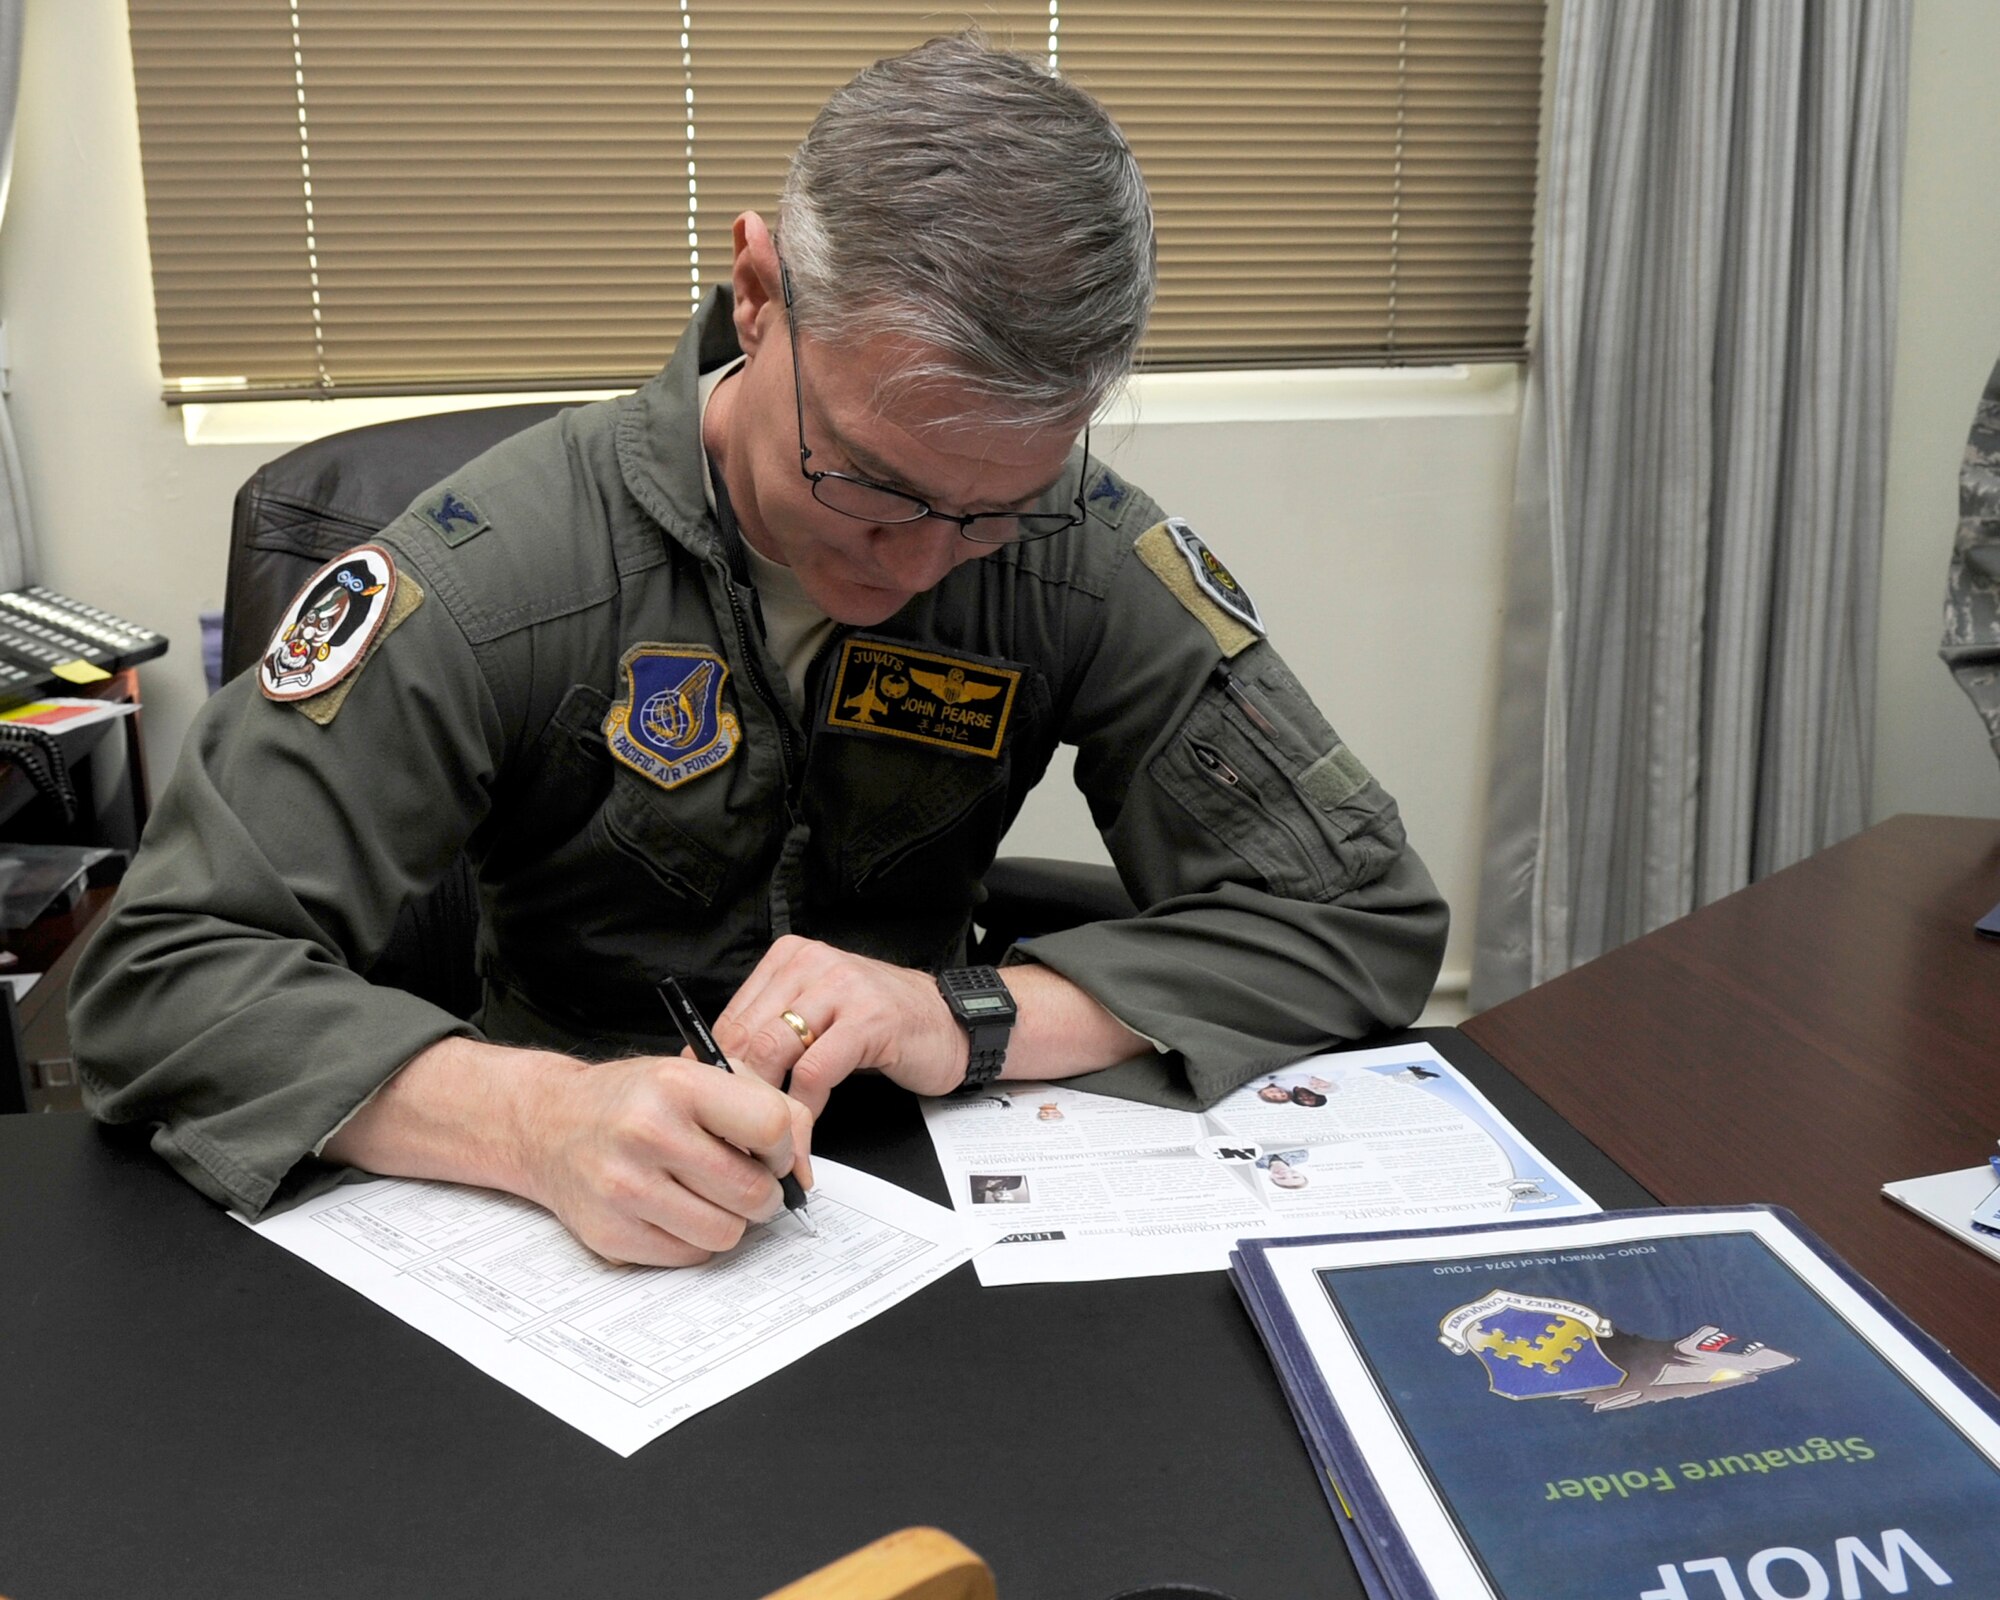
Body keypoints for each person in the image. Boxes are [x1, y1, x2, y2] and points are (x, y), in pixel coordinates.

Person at [70, 35, 1447, 1269]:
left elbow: (1354, 916)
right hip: (557, 1220)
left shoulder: (1074, 548)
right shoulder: (498, 570)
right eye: (866, 480)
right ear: (757, 294)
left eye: (987, 511)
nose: (915, 562)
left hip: (931, 1204)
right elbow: (160, 974)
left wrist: (963, 1012)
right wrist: (533, 1116)